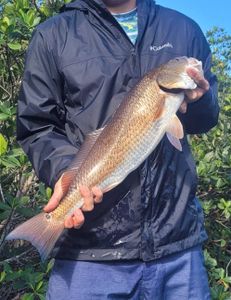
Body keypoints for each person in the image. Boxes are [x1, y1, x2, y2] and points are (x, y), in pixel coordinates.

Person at [17, 0, 219, 299]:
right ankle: (46, 228)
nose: (186, 61)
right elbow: (37, 126)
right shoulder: (54, 34)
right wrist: (64, 172)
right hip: (89, 253)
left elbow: (206, 118)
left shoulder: (183, 28)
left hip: (177, 250)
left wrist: (201, 99)